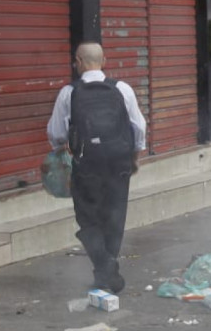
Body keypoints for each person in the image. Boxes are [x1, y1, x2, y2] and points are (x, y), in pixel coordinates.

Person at [47, 43, 146, 294]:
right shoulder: (122, 89)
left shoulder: (69, 92)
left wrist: (62, 152)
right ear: (104, 61)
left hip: (86, 164)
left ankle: (105, 269)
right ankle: (106, 273)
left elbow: (56, 133)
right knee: (115, 217)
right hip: (119, 163)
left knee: (88, 218)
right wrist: (134, 157)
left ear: (78, 61)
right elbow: (139, 127)